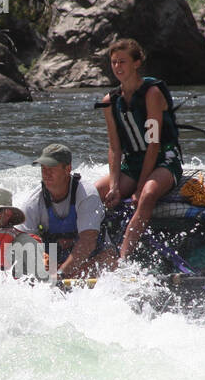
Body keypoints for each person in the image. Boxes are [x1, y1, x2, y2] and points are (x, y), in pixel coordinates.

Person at [94, 38, 184, 265]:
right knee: (95, 192)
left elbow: (153, 144)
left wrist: (140, 185)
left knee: (148, 194)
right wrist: (115, 186)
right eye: (114, 62)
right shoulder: (109, 101)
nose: (117, 67)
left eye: (122, 61)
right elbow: (114, 147)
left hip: (164, 158)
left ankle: (122, 258)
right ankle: (91, 247)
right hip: (133, 161)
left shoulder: (152, 94)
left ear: (137, 63)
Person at [20, 144, 113, 280]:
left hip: (93, 256)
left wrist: (60, 274)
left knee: (109, 258)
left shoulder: (87, 195)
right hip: (55, 258)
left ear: (67, 169)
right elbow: (23, 241)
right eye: (43, 168)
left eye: (51, 168)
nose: (46, 173)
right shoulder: (32, 202)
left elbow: (88, 242)